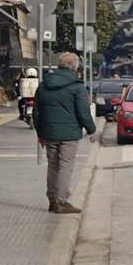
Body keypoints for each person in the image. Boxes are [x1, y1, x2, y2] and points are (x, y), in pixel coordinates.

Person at [35, 51, 96, 213]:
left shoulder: (44, 85)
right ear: (76, 67)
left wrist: (40, 133)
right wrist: (91, 129)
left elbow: (36, 112)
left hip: (49, 132)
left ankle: (52, 199)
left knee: (53, 165)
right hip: (69, 133)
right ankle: (62, 201)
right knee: (65, 165)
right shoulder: (77, 87)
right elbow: (83, 112)